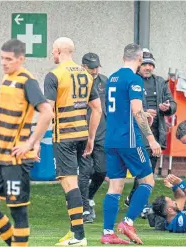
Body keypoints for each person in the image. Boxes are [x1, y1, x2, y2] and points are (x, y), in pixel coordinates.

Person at [0, 38, 52, 247]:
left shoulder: (27, 81)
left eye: (9, 59)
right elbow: (2, 117)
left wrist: (30, 143)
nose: (4, 63)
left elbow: (47, 112)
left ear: (21, 59)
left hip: (17, 159)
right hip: (0, 157)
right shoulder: (6, 79)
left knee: (17, 211)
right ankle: (15, 244)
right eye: (2, 58)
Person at [101, 43, 161, 245]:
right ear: (140, 59)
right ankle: (127, 222)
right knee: (148, 181)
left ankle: (108, 233)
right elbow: (135, 110)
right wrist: (151, 139)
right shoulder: (134, 79)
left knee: (115, 187)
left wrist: (143, 114)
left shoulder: (112, 78)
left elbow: (116, 110)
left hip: (111, 140)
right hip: (130, 140)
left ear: (122, 57)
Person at [44, 37, 102, 246]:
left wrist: (33, 140)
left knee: (69, 183)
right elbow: (97, 109)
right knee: (75, 182)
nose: (52, 54)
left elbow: (47, 111)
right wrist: (91, 137)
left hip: (64, 136)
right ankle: (73, 231)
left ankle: (79, 235)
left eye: (53, 50)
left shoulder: (54, 75)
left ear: (58, 50)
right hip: (82, 135)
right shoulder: (87, 74)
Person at [125, 48, 177, 207]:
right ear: (139, 64)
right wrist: (144, 112)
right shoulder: (132, 81)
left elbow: (173, 104)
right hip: (138, 133)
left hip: (157, 133)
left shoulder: (160, 82)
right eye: (145, 64)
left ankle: (133, 199)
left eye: (151, 65)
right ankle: (140, 203)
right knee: (144, 170)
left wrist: (167, 108)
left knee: (148, 170)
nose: (148, 68)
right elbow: (125, 106)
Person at [77, 52, 108, 224]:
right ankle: (85, 208)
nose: (95, 70)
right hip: (82, 132)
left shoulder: (105, 81)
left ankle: (88, 196)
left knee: (102, 171)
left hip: (102, 133)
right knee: (84, 171)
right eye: (91, 67)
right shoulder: (78, 82)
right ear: (83, 67)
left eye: (97, 67)